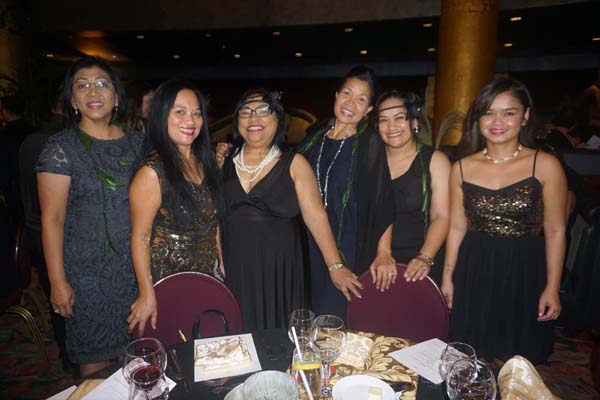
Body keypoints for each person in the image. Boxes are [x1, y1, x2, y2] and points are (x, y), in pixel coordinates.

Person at [441, 78, 567, 363]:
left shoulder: (545, 165)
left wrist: (552, 286)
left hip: (525, 270)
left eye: (509, 113)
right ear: (478, 118)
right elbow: (457, 227)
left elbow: (555, 230)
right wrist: (448, 277)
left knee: (520, 359)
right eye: (489, 113)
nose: (497, 122)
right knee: (470, 355)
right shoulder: (461, 167)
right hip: (474, 267)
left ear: (525, 116)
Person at [36, 56, 143, 376]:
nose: (93, 92)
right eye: (82, 86)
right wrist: (57, 281)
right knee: (95, 365)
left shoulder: (138, 143)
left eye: (102, 84)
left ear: (116, 97)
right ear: (72, 100)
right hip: (87, 276)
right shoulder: (60, 148)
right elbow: (51, 220)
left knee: (141, 355)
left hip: (136, 269)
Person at [222, 89, 346, 330]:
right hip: (238, 267)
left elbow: (316, 216)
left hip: (280, 269)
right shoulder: (222, 162)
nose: (253, 118)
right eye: (245, 112)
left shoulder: (295, 163)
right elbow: (214, 217)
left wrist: (336, 266)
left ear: (278, 119)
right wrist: (219, 257)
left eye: (263, 110)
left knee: (280, 336)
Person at [127, 80, 223, 336]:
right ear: (161, 115)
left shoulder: (205, 161)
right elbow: (140, 237)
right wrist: (147, 292)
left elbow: (212, 218)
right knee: (176, 349)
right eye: (180, 111)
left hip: (206, 276)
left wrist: (221, 258)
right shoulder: (152, 172)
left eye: (196, 113)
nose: (190, 121)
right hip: (168, 280)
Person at [298, 66, 395, 318]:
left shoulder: (369, 143)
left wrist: (384, 252)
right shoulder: (314, 138)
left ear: (369, 109)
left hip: (347, 244)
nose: (350, 103)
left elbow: (383, 201)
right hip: (308, 241)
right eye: (346, 93)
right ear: (336, 95)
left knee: (334, 316)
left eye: (361, 99)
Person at [376, 91, 450, 285]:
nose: (391, 127)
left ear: (414, 122)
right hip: (377, 261)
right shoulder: (370, 161)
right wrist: (381, 254)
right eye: (384, 120)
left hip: (420, 262)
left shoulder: (434, 160)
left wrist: (425, 257)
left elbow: (441, 216)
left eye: (399, 118)